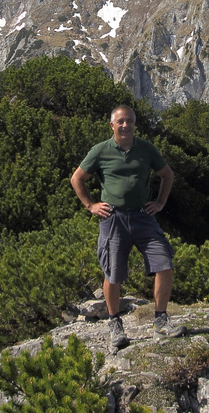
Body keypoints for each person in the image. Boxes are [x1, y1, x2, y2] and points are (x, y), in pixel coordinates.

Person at [70, 103, 175, 348]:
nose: (125, 125)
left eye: (129, 121)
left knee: (164, 263)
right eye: (121, 121)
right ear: (112, 125)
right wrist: (90, 205)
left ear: (134, 124)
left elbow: (167, 175)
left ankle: (161, 321)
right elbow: (77, 178)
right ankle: (115, 323)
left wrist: (160, 203)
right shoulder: (100, 150)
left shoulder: (146, 149)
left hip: (143, 216)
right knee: (113, 273)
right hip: (113, 218)